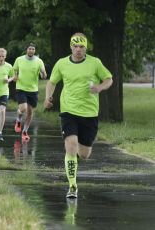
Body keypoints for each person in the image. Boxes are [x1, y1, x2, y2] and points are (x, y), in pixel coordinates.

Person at [44, 32, 113, 199]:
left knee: (84, 154)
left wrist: (100, 87)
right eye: (75, 46)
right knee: (71, 145)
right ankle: (72, 185)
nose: (78, 49)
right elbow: (52, 81)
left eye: (81, 46)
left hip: (89, 113)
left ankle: (75, 160)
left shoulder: (95, 63)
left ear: (86, 47)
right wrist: (48, 97)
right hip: (68, 111)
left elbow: (109, 79)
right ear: (70, 47)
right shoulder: (61, 64)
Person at [13, 42, 47, 142]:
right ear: (26, 50)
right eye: (29, 49)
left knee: (30, 112)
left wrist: (43, 73)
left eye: (33, 49)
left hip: (33, 89)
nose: (31, 50)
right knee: (23, 108)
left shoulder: (39, 61)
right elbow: (14, 70)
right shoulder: (19, 59)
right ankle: (18, 119)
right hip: (21, 87)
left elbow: (44, 76)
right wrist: (15, 75)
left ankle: (25, 132)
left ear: (34, 50)